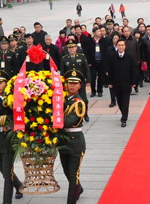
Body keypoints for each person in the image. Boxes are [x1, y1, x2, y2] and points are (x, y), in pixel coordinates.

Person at [0, 70, 24, 203]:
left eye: (0, 83)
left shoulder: (14, 99)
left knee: (7, 173)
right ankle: (19, 186)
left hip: (10, 140)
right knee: (4, 171)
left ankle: (7, 201)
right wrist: (11, 118)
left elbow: (20, 116)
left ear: (6, 84)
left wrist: (8, 119)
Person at [59, 70, 87, 204]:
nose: (72, 86)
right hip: (63, 141)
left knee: (73, 175)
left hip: (75, 143)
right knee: (66, 171)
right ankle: (78, 188)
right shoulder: (63, 99)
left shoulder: (79, 103)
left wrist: (52, 118)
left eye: (75, 84)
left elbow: (69, 121)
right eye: (70, 83)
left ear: (80, 86)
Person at [107, 39, 137, 127]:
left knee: (125, 101)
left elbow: (133, 70)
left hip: (127, 83)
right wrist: (110, 82)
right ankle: (123, 113)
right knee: (119, 101)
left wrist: (133, 82)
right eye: (119, 45)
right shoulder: (112, 56)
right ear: (116, 46)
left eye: (122, 45)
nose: (120, 47)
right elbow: (110, 70)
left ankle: (124, 119)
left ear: (125, 46)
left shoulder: (129, 56)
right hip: (116, 83)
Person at [60, 40, 91, 120]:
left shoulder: (81, 56)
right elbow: (62, 72)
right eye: (69, 47)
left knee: (84, 99)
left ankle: (85, 114)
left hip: (80, 82)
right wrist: (62, 83)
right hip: (69, 83)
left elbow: (86, 69)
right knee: (68, 100)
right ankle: (69, 114)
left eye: (73, 47)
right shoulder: (64, 59)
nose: (71, 49)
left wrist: (88, 81)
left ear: (76, 48)